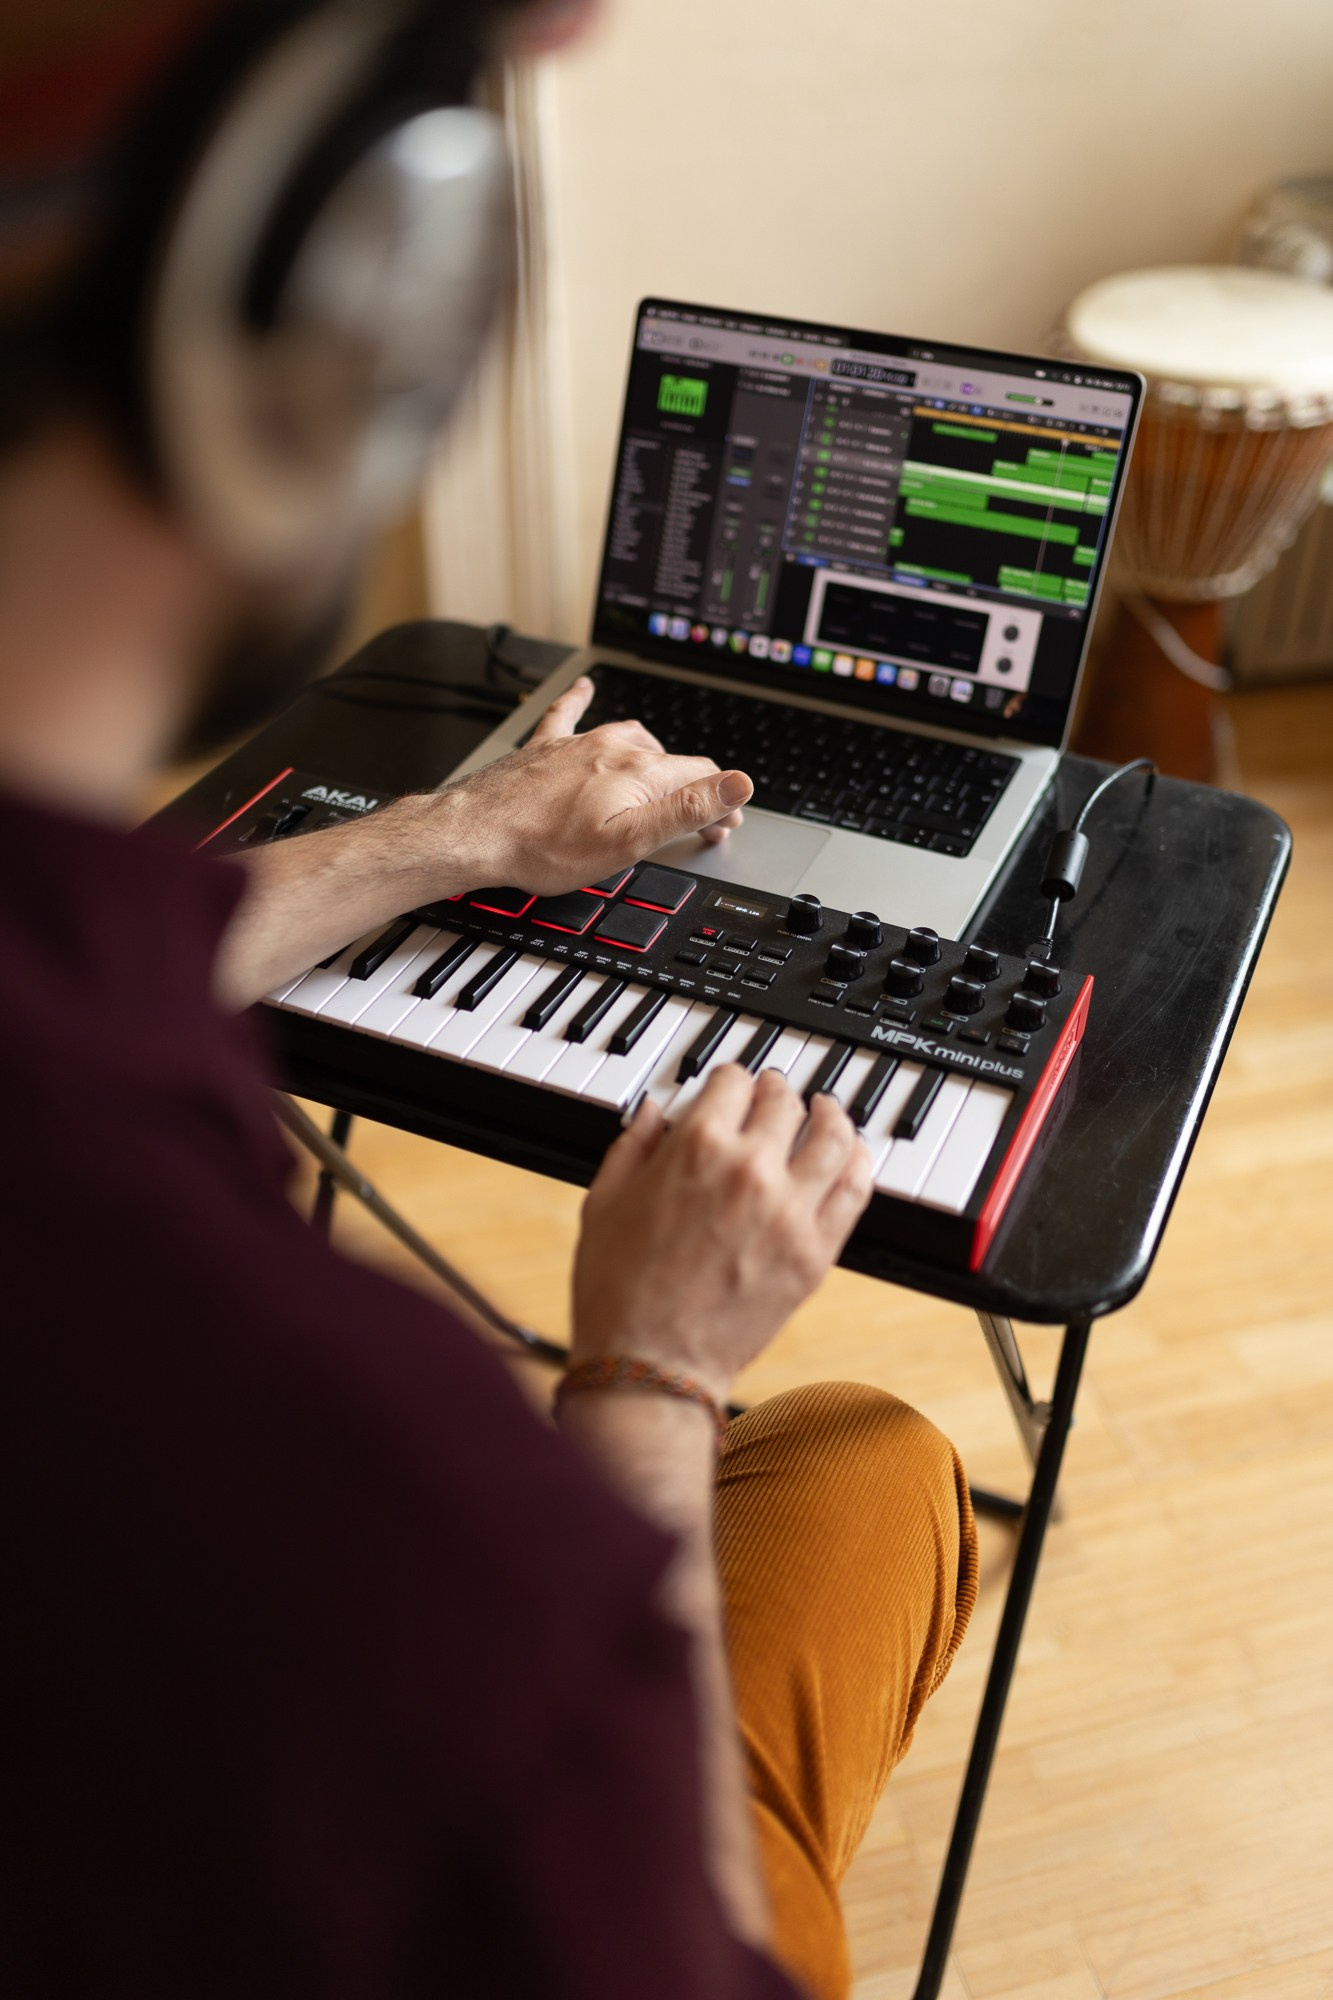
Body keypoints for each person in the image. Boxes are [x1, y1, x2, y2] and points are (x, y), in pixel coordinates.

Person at [1, 5, 978, 1996]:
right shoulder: (420, 1555)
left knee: (867, 1468)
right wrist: (644, 1378)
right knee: (889, 1462)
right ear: (348, 291)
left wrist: (457, 831)